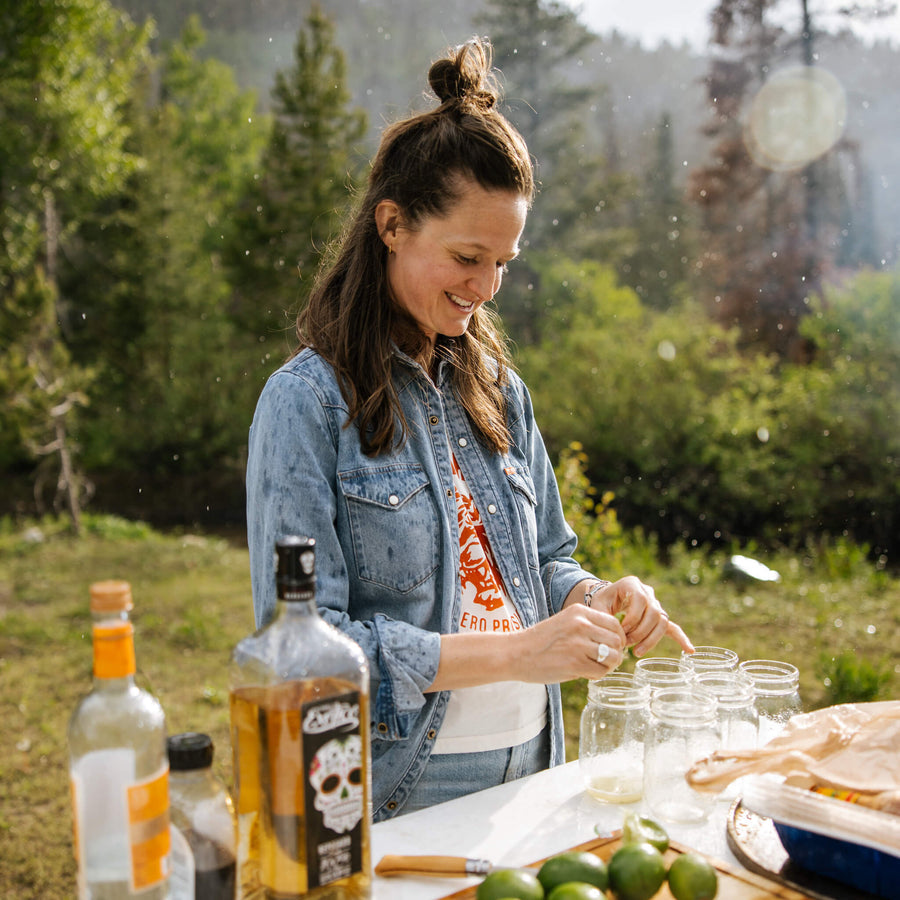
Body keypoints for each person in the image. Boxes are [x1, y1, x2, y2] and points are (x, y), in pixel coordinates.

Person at [246, 37, 693, 822]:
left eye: (504, 263)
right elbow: (306, 655)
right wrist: (520, 653)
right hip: (394, 790)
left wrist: (595, 596)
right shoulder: (306, 405)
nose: (485, 288)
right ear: (391, 224)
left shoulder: (500, 392)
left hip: (535, 771)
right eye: (466, 256)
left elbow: (544, 558)